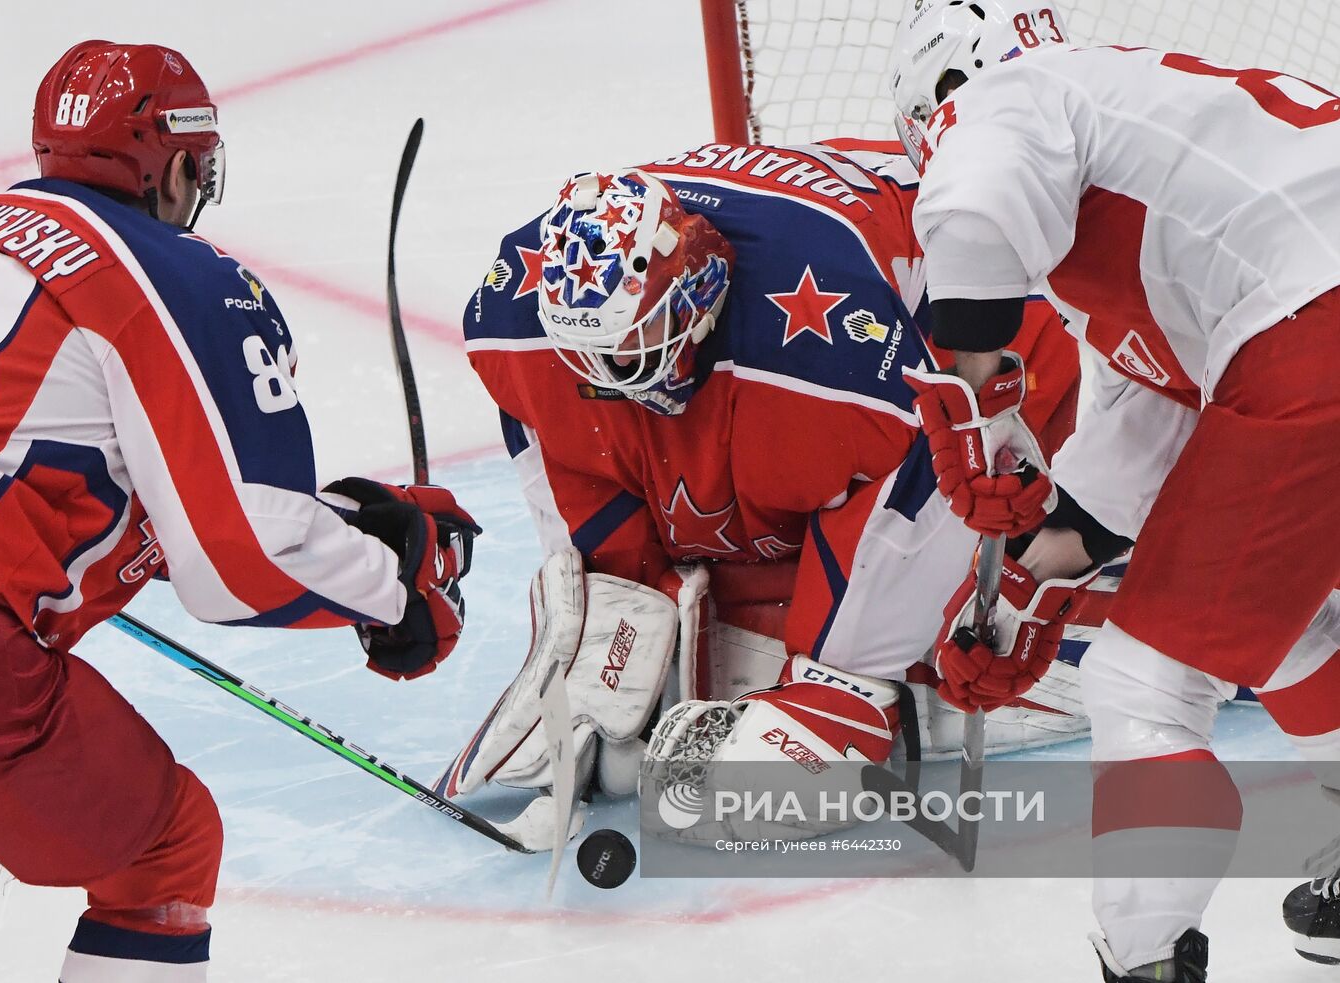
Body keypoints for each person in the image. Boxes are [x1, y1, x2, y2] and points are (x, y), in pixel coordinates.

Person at [0, 40, 478, 983]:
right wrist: (399, 587)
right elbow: (239, 557)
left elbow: (92, 472)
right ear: (178, 161)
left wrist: (342, 524)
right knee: (162, 847)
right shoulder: (178, 273)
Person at [435, 136, 1087, 824]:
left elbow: (941, 440)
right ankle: (622, 602)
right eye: (592, 355)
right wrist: (618, 582)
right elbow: (544, 422)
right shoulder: (512, 310)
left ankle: (847, 692)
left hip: (959, 289)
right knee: (592, 409)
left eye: (632, 347)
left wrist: (846, 651)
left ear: (690, 288)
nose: (614, 377)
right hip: (811, 230)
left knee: (948, 435)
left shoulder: (837, 352)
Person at [889, 1, 1340, 978]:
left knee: (1142, 683)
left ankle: (1141, 957)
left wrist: (981, 406)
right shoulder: (1154, 151)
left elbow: (969, 215)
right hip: (1299, 321)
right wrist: (1016, 608)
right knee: (1285, 612)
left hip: (1313, 324)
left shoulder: (1010, 96)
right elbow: (1144, 447)